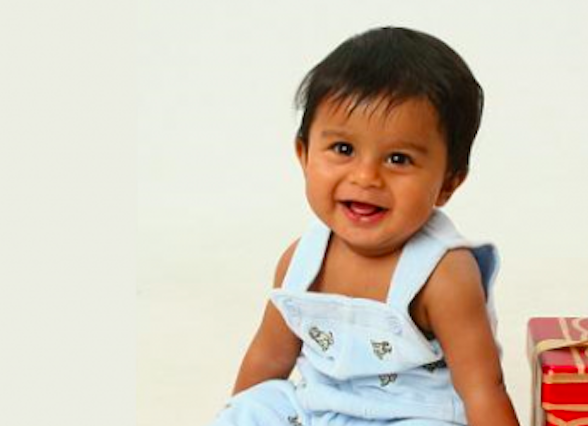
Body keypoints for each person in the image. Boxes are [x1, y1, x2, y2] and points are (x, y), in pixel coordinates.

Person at [211, 27, 519, 426]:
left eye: (398, 159)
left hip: (412, 416)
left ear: (447, 183)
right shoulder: (302, 259)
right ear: (304, 154)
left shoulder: (443, 273)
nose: (366, 176)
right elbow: (268, 358)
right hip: (319, 409)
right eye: (343, 149)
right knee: (255, 406)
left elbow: (482, 388)